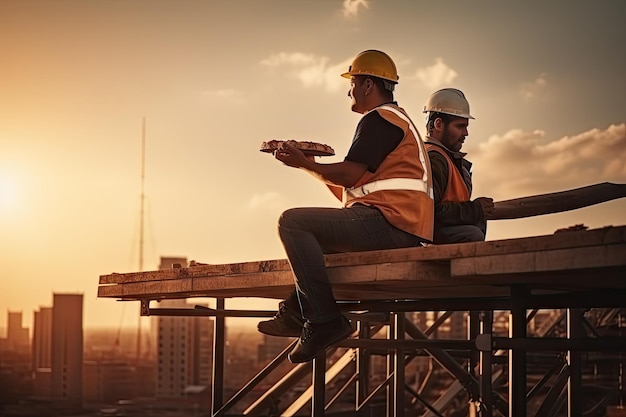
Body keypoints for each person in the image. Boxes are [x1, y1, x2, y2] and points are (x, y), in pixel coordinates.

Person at [258, 50, 434, 363]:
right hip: (398, 223)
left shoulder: (380, 120)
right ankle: (296, 311)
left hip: (392, 223)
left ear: (368, 85)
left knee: (292, 222)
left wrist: (301, 163)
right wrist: (308, 164)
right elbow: (354, 184)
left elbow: (349, 173)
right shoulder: (393, 121)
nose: (348, 91)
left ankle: (324, 320)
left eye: (352, 83)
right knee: (314, 246)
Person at [422, 88, 495, 244]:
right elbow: (431, 212)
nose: (466, 133)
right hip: (429, 240)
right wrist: (475, 209)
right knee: (472, 234)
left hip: (439, 235)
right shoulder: (434, 159)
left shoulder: (446, 159)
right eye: (460, 126)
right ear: (439, 124)